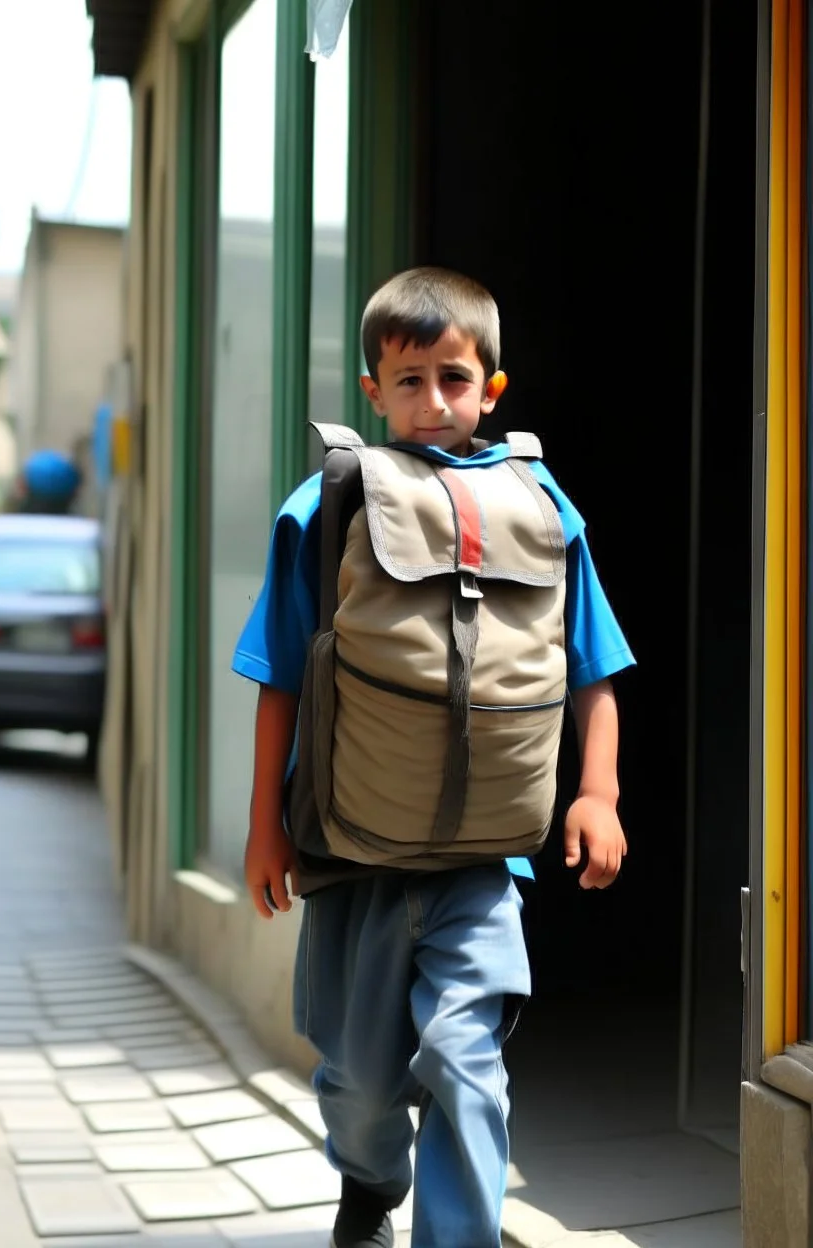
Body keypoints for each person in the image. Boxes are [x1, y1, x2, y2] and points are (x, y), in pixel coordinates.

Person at [233, 266, 635, 1248]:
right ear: (371, 389)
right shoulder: (329, 505)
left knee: (467, 1063)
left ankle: (459, 1237)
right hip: (353, 857)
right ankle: (369, 1183)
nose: (432, 401)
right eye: (407, 381)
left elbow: (594, 666)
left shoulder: (541, 507)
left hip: (482, 866)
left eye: (453, 379)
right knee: (357, 1082)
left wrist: (596, 793)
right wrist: (261, 831)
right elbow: (279, 673)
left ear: (490, 388)